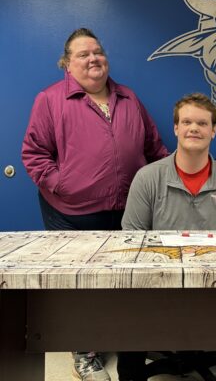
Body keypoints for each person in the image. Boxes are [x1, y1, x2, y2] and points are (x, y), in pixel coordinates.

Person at [21, 28, 168, 381]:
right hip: (71, 213)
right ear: (67, 64)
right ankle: (85, 351)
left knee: (123, 282)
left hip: (127, 212)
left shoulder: (128, 97)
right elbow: (34, 154)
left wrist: (168, 179)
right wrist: (63, 185)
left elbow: (154, 147)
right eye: (83, 54)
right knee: (80, 284)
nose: (93, 59)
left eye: (98, 52)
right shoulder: (50, 100)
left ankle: (119, 337)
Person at [119, 92, 216, 381]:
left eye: (202, 123)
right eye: (186, 122)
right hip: (157, 288)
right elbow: (131, 240)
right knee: (127, 319)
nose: (193, 128)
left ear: (214, 130)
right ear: (175, 128)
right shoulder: (147, 178)